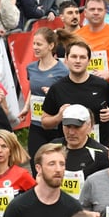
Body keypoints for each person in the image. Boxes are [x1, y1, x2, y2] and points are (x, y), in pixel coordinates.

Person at [40, 41, 109, 153]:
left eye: (82, 57)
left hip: (99, 147)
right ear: (66, 59)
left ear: (88, 61)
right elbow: (45, 122)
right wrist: (58, 117)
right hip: (68, 149)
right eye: (74, 57)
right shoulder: (57, 88)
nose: (78, 61)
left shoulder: (101, 85)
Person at [20, 27, 68, 160]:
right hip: (36, 123)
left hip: (56, 125)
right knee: (36, 161)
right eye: (34, 44)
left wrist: (53, 94)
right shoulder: (31, 68)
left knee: (55, 162)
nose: (35, 47)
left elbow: (67, 97)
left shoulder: (62, 71)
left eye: (39, 44)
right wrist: (26, 107)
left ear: (51, 46)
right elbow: (33, 89)